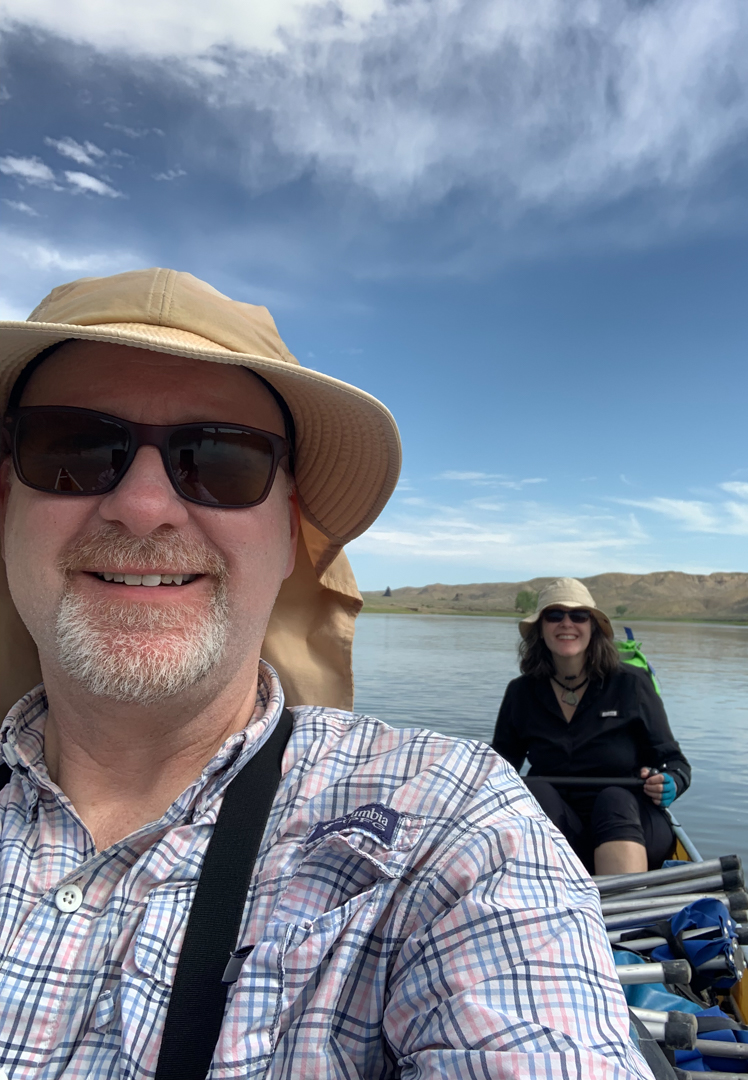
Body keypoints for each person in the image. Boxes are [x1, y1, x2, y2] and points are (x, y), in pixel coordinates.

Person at [0, 269, 652, 1079]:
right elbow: (513, 748)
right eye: (72, 450)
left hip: (605, 800)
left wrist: (663, 778)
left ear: (289, 534)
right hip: (552, 789)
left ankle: (622, 929)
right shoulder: (524, 694)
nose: (143, 505)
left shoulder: (454, 830)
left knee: (612, 805)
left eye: (222, 461)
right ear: (6, 502)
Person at [492, 578, 691, 877]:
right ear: (540, 629)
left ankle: (625, 902)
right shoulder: (521, 692)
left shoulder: (632, 684)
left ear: (594, 627)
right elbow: (498, 769)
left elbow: (676, 763)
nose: (566, 623)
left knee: (614, 799)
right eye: (554, 615)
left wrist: (670, 782)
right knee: (535, 791)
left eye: (578, 615)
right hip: (561, 831)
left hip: (633, 822)